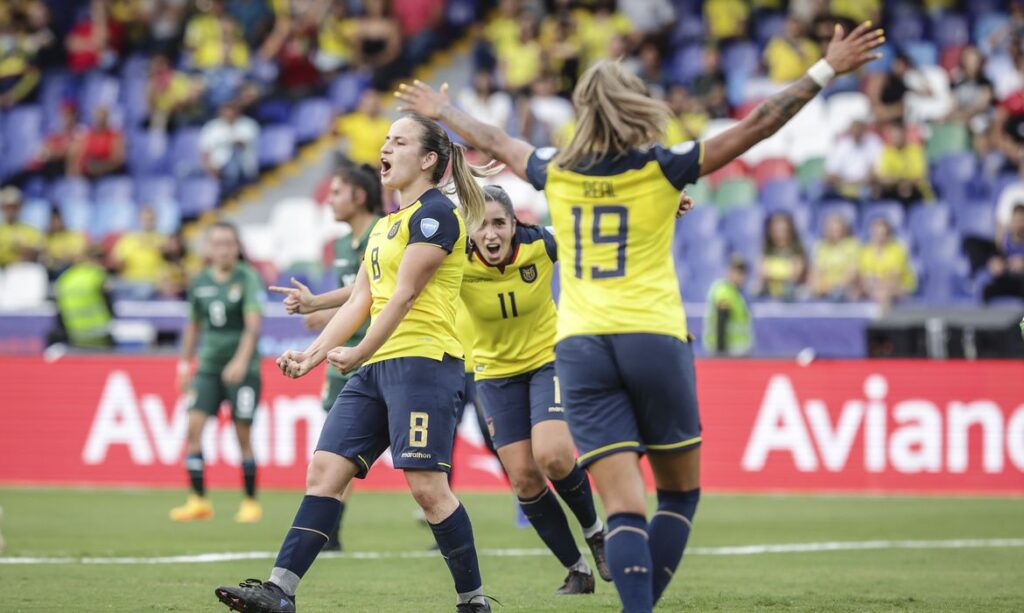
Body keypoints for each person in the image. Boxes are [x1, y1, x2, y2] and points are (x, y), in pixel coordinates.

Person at [397, 19, 882, 611]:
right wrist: (826, 68)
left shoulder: (558, 171)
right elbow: (759, 124)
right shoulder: (664, 167)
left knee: (622, 504)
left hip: (579, 349)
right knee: (676, 497)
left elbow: (496, 141)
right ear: (638, 108)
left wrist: (443, 112)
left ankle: (624, 592)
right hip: (651, 335)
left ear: (583, 112)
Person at [215, 113, 499, 613]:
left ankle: (473, 601)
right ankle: (280, 592)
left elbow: (405, 296)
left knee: (428, 490)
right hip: (377, 368)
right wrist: (311, 355)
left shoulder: (435, 216)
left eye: (398, 141)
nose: (384, 149)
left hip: (423, 364)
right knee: (324, 471)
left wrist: (359, 351)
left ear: (429, 160)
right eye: (385, 140)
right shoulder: (385, 226)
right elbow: (359, 303)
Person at [460, 185, 610, 594]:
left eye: (499, 223)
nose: (490, 234)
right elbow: (393, 284)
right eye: (480, 224)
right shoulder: (453, 257)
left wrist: (664, 209)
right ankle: (577, 569)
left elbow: (598, 237)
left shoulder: (541, 243)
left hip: (548, 359)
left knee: (554, 456)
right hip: (493, 375)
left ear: (514, 224)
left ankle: (596, 533)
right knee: (524, 478)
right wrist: (325, 304)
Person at [268, 164, 385, 551]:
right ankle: (330, 530)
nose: (329, 199)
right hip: (339, 354)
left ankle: (328, 529)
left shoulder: (381, 235)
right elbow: (354, 298)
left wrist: (320, 310)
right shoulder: (338, 245)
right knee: (337, 447)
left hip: (377, 353)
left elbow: (380, 299)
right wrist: (320, 314)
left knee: (408, 453)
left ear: (359, 196)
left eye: (337, 192)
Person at [172, 222, 265, 523]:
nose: (224, 249)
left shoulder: (248, 278)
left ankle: (250, 502)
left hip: (243, 369)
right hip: (209, 367)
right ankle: (198, 500)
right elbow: (193, 326)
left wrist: (240, 361)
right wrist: (185, 364)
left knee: (242, 434)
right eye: (218, 244)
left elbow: (252, 327)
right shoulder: (200, 282)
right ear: (208, 249)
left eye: (229, 243)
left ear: (237, 247)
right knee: (193, 429)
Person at [52, 246, 114, 348]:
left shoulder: (66, 277)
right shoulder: (97, 275)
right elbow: (108, 299)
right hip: (99, 329)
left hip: (74, 329)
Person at [199, 101, 260, 195]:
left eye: (231, 111)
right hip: (218, 166)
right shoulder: (211, 127)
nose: (229, 114)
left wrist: (229, 140)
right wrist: (209, 168)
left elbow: (243, 143)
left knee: (234, 158)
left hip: (243, 166)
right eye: (226, 111)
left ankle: (232, 191)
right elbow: (204, 150)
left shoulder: (248, 124)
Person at [857, 216, 916, 309]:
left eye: (882, 233)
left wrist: (875, 283)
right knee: (855, 292)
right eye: (876, 233)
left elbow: (894, 277)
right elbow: (863, 274)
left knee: (882, 293)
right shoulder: (866, 251)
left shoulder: (897, 250)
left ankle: (883, 322)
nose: (879, 236)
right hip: (874, 285)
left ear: (888, 234)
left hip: (901, 286)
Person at [703, 254, 753, 357]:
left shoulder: (738, 293)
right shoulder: (724, 291)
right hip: (726, 353)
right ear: (729, 271)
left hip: (738, 352)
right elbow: (721, 322)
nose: (739, 276)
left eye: (742, 272)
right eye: (736, 271)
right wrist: (721, 353)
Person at [873, 121, 933, 206]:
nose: (896, 139)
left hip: (916, 190)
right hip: (895, 188)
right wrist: (900, 180)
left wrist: (900, 179)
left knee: (906, 189)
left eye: (898, 136)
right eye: (893, 136)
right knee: (877, 191)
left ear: (904, 135)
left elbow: (919, 176)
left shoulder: (915, 150)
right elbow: (882, 176)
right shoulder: (887, 151)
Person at [824, 118, 883, 201]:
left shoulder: (873, 143)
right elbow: (830, 172)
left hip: (865, 185)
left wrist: (862, 181)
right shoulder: (842, 145)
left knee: (868, 193)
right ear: (850, 131)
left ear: (864, 131)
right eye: (854, 131)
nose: (857, 134)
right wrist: (844, 182)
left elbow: (877, 171)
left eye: (859, 131)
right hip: (842, 184)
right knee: (817, 190)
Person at [809, 212, 860, 300]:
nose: (835, 233)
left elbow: (853, 273)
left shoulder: (852, 245)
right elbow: (815, 272)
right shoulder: (821, 247)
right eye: (831, 230)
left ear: (844, 230)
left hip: (845, 288)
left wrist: (836, 287)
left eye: (838, 230)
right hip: (823, 289)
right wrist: (823, 286)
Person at [67, 105, 126, 179]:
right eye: (97, 117)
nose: (99, 120)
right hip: (88, 174)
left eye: (102, 117)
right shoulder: (87, 135)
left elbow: (118, 160)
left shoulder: (115, 136)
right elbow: (76, 157)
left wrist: (101, 166)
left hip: (108, 174)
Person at [759, 211, 807, 301]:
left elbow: (795, 275)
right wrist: (785, 272)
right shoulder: (766, 250)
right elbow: (762, 273)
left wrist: (772, 273)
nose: (780, 233)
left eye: (783, 229)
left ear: (790, 230)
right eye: (776, 229)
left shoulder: (797, 250)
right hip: (770, 294)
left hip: (792, 295)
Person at [984, 204, 1024, 302]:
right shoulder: (1004, 240)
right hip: (1007, 279)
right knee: (987, 290)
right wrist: (996, 264)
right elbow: (998, 260)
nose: (1019, 224)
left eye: (1022, 220)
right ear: (1011, 221)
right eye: (1016, 220)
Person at [0, 186, 44, 267]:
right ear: (2, 208)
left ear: (20, 207)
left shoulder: (30, 230)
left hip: (26, 268)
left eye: (14, 207)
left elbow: (37, 251)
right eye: (8, 207)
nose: (11, 210)